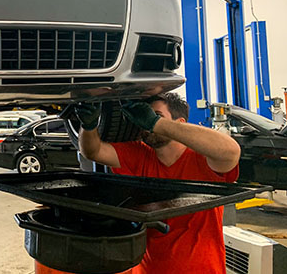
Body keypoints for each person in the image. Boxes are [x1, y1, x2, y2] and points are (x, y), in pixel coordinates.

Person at [75, 93, 241, 274]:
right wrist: (89, 126)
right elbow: (93, 151)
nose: (146, 125)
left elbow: (231, 151)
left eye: (156, 115)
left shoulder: (203, 159)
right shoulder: (140, 155)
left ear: (180, 123)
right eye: (145, 118)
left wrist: (155, 124)